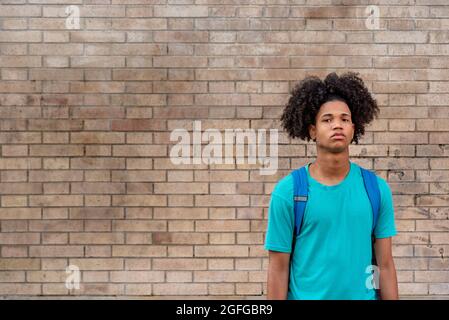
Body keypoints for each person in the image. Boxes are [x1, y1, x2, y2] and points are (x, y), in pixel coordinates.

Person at [265, 72, 398, 300]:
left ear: (354, 128)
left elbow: (385, 265)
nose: (337, 125)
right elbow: (278, 269)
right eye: (327, 119)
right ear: (313, 130)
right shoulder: (288, 193)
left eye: (344, 119)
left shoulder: (376, 189)